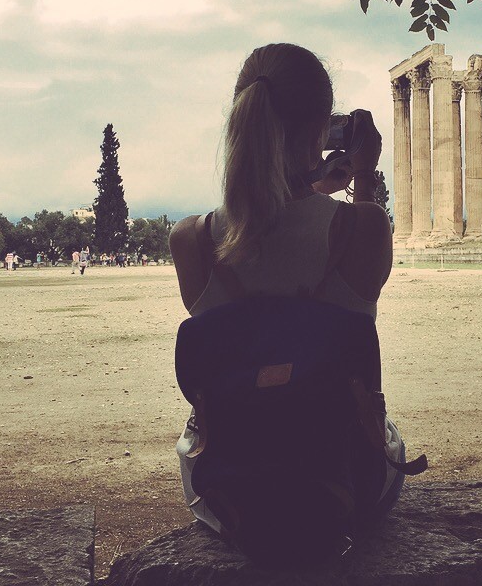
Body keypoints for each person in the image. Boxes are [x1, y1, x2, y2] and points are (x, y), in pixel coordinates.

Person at [169, 43, 409, 551]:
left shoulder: (189, 240)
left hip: (225, 489)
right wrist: (361, 176)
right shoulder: (361, 226)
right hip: (342, 477)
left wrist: (312, 185)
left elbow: (266, 237)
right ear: (324, 129)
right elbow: (325, 241)